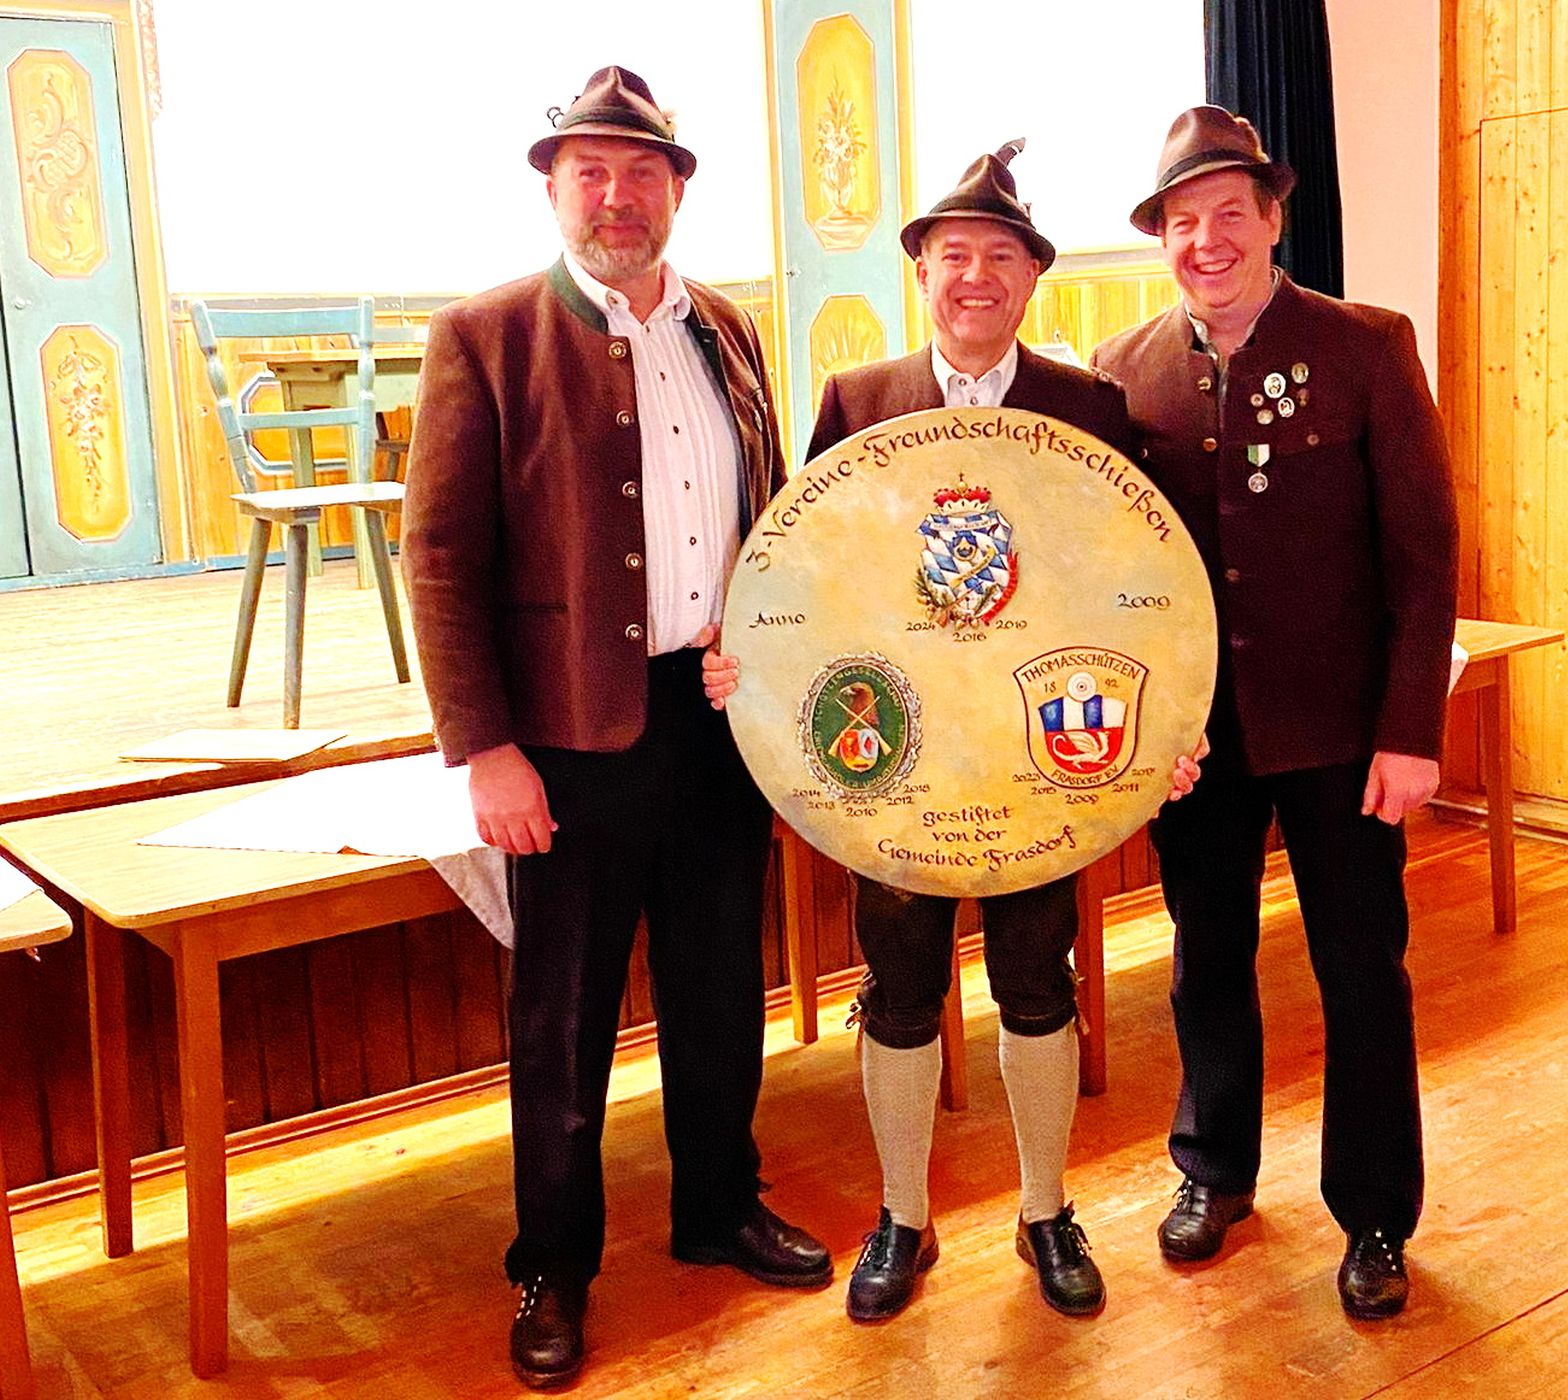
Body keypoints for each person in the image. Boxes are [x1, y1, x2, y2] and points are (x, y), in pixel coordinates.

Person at [402, 66, 830, 1390]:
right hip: (569, 742)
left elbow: (771, 515)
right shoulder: (484, 336)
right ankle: (553, 1264)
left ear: (677, 191)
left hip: (715, 720)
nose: (616, 194)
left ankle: (717, 1205)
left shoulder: (728, 331)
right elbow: (440, 559)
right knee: (565, 1018)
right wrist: (486, 749)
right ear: (553, 187)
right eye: (589, 170)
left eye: (642, 171)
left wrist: (767, 653)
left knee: (720, 988)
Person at [706, 144, 1149, 1322]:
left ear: (1034, 277)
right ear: (922, 272)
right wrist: (759, 666)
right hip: (896, 755)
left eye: (1001, 256)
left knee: (1037, 978)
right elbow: (811, 570)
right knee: (899, 987)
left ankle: (1046, 1209)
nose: (976, 276)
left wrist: (1164, 716)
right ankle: (902, 1215)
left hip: (1037, 751)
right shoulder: (858, 402)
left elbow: (1133, 586)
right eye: (954, 254)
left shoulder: (1089, 407)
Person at [1091, 105, 1458, 1320]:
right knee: (1207, 957)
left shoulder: (1367, 346)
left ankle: (1376, 1214)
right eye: (1181, 222)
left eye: (1227, 215)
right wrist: (1141, 725)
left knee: (1362, 967)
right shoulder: (1121, 369)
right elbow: (1110, 567)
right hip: (1197, 739)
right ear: (1161, 238)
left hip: (1343, 734)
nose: (1206, 241)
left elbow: (1423, 554)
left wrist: (1411, 729)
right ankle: (1215, 1169)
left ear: (1272, 218)